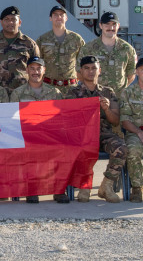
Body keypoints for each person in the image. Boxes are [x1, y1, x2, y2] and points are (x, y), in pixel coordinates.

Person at [66, 56, 127, 203]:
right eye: (86, 68)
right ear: (80, 72)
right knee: (81, 149)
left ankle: (106, 185)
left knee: (121, 148)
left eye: (93, 68)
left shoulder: (108, 92)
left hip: (104, 134)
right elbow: (68, 120)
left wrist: (106, 109)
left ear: (99, 71)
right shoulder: (72, 93)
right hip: (83, 136)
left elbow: (115, 120)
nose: (90, 71)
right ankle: (84, 186)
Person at [10, 56, 64, 203]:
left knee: (63, 148)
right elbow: (12, 120)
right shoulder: (18, 94)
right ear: (27, 70)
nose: (35, 72)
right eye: (32, 69)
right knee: (30, 149)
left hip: (50, 136)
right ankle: (32, 188)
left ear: (44, 70)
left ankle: (59, 189)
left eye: (39, 68)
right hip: (26, 136)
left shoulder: (55, 93)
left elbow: (60, 119)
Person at [78, 11, 137, 96]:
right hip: (95, 97)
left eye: (114, 24)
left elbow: (131, 74)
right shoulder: (88, 49)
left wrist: (118, 89)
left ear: (118, 26)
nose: (111, 27)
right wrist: (91, 89)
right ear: (100, 25)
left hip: (118, 99)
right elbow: (79, 72)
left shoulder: (127, 49)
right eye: (107, 24)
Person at [0, 6, 40, 95]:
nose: (10, 22)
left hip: (22, 93)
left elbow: (37, 70)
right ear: (1, 22)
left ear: (20, 22)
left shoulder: (29, 44)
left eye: (14, 19)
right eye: (6, 19)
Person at [36, 5, 84, 93]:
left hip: (71, 89)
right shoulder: (42, 40)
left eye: (61, 15)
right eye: (55, 15)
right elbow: (37, 63)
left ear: (66, 18)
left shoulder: (76, 39)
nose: (59, 17)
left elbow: (84, 63)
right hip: (48, 88)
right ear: (50, 18)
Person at [120, 57, 143, 203]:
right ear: (136, 72)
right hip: (135, 132)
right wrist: (139, 132)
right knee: (133, 148)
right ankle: (137, 187)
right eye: (142, 70)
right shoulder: (128, 93)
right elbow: (125, 120)